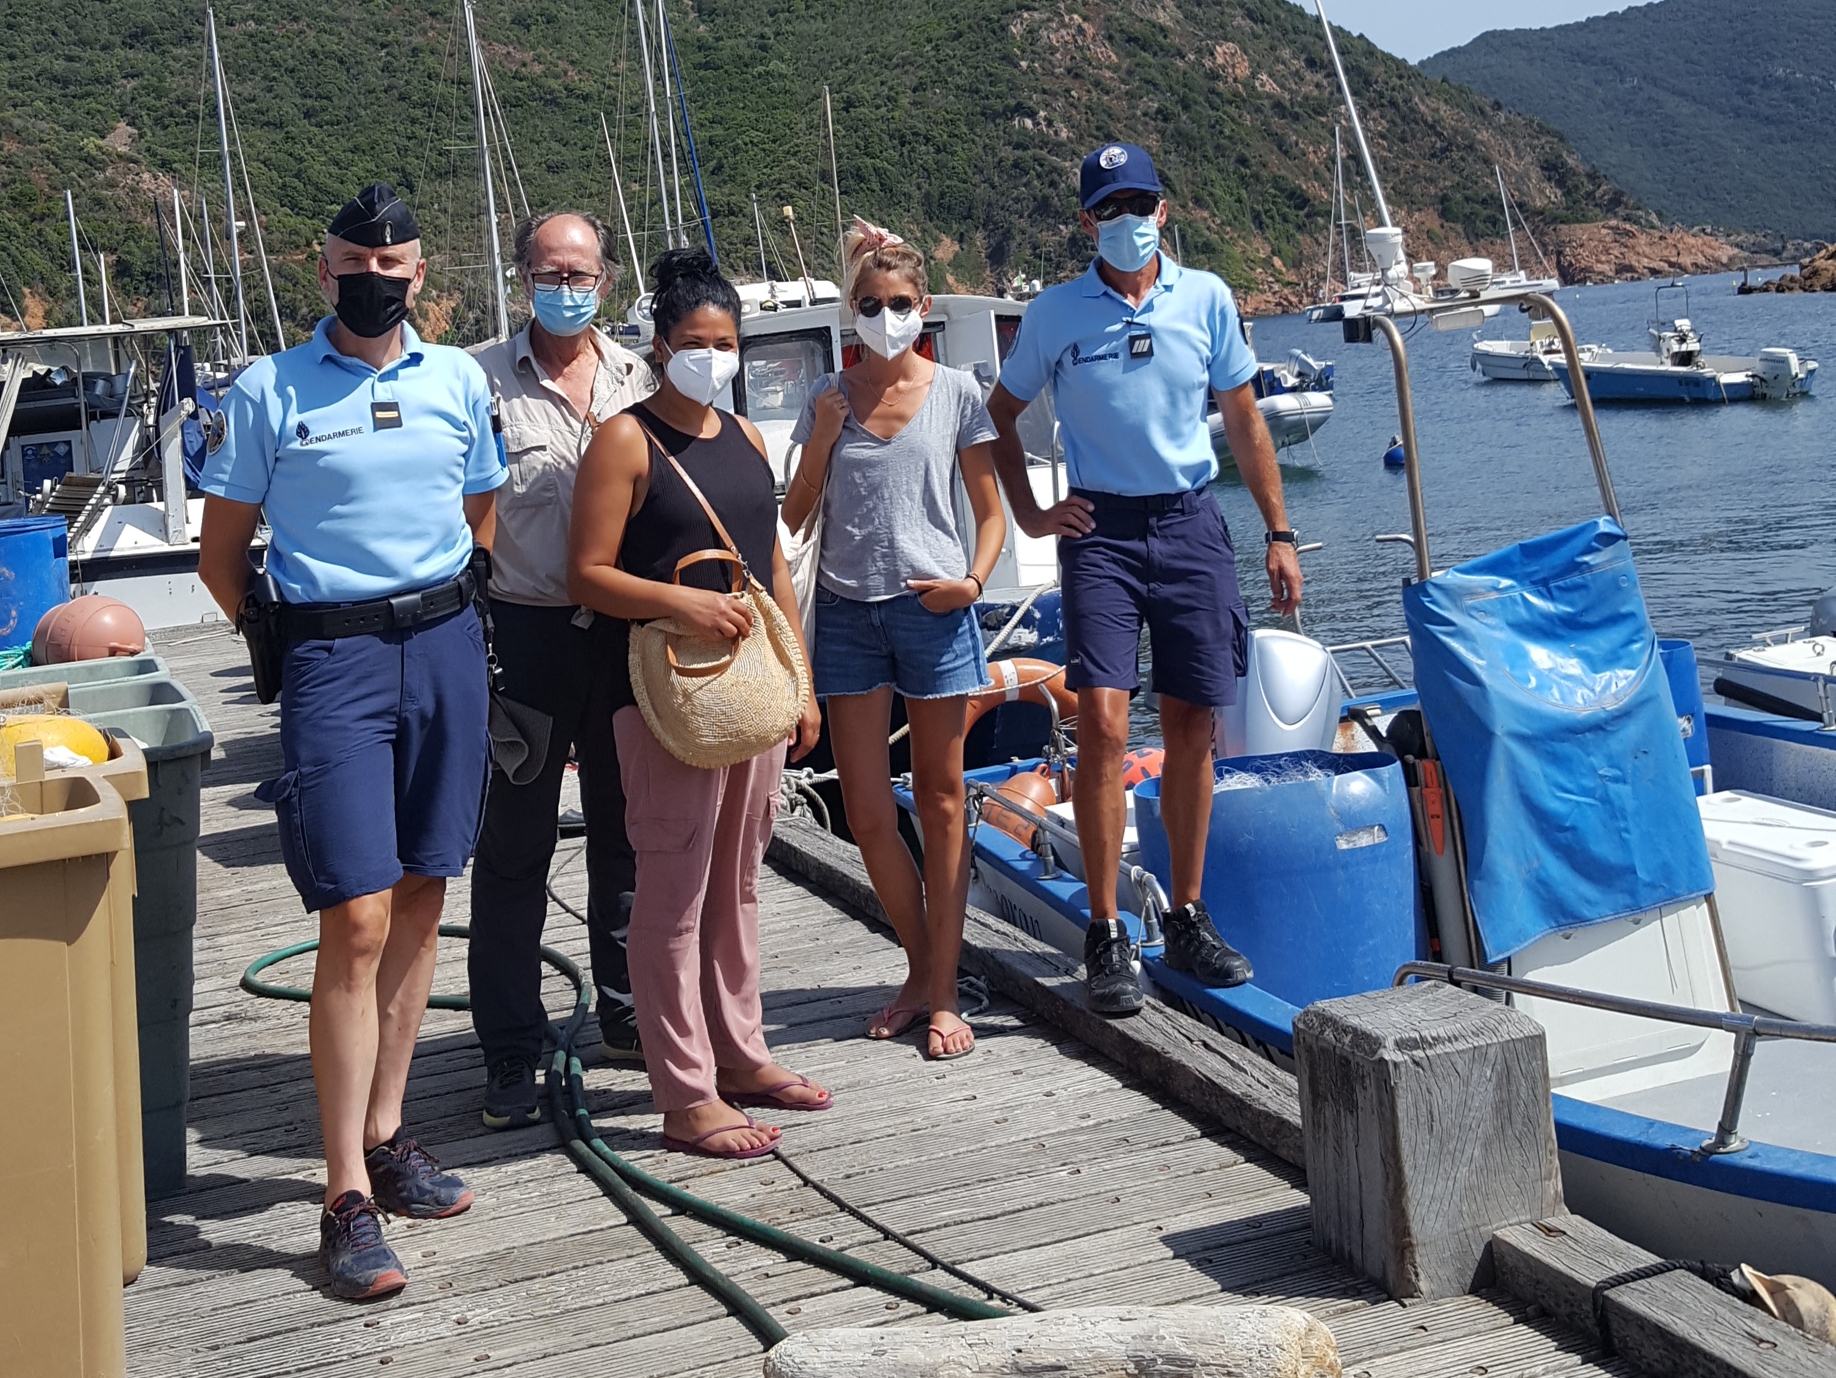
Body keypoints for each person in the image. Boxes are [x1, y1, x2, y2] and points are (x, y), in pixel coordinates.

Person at [196, 183, 505, 1298]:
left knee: (424, 891)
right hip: (335, 664)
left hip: (446, 647)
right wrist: (305, 636)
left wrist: (429, 611)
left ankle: (388, 1132)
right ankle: (344, 1197)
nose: (375, 280)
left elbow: (480, 516)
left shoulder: (459, 379)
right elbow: (220, 556)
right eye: (353, 265)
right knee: (356, 917)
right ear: (321, 270)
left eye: (396, 266)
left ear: (421, 274)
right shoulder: (267, 387)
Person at [985, 143, 1303, 1016]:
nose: (1127, 220)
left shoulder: (1206, 297)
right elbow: (1000, 415)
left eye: (1140, 202)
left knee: (1196, 723)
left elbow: (1243, 419)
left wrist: (1280, 532)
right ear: (1087, 220)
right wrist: (1030, 512)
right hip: (1102, 531)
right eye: (1109, 207)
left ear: (1163, 209)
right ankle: (1105, 930)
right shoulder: (1053, 314)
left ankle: (1189, 917)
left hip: (1192, 521)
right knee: (1104, 725)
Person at [569, 248, 828, 1159]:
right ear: (658, 344)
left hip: (748, 695)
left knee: (740, 885)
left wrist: (802, 684)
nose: (710, 357)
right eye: (692, 342)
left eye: (724, 343)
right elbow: (588, 575)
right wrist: (681, 600)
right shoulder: (624, 439)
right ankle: (684, 1093)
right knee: (671, 893)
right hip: (659, 698)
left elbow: (772, 577)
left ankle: (742, 1053)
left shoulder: (750, 440)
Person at [780, 217, 1005, 1061]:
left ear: (926, 305)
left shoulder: (956, 394)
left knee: (942, 804)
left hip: (934, 613)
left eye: (899, 303)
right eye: (870, 304)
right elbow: (795, 518)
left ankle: (943, 993)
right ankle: (921, 970)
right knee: (871, 814)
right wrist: (824, 444)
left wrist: (973, 584)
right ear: (851, 312)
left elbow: (990, 512)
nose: (885, 316)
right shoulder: (826, 402)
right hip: (845, 615)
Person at [467, 211, 654, 1130]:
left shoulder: (640, 377)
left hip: (622, 642)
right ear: (522, 278)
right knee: (514, 848)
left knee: (628, 834)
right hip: (527, 636)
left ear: (607, 280)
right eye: (549, 271)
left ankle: (624, 1015)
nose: (566, 286)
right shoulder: (480, 380)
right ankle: (509, 1046)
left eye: (580, 272)